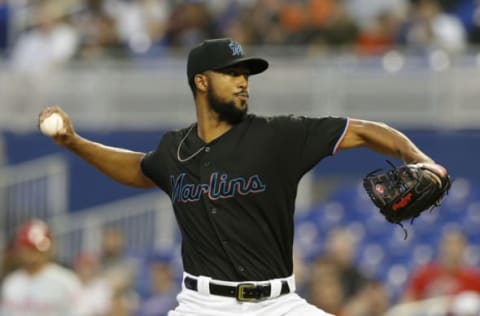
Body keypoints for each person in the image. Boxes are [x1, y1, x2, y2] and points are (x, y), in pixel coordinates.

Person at [38, 38, 444, 316]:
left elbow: (364, 130)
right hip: (202, 305)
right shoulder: (175, 150)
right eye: (231, 73)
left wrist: (421, 159)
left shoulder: (279, 136)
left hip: (278, 304)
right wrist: (74, 142)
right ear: (201, 81)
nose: (242, 81)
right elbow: (139, 169)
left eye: (245, 74)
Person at [0, 219, 83, 316]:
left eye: (37, 250)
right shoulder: (11, 282)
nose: (33, 255)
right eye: (29, 249)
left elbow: (79, 312)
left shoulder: (65, 280)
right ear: (20, 250)